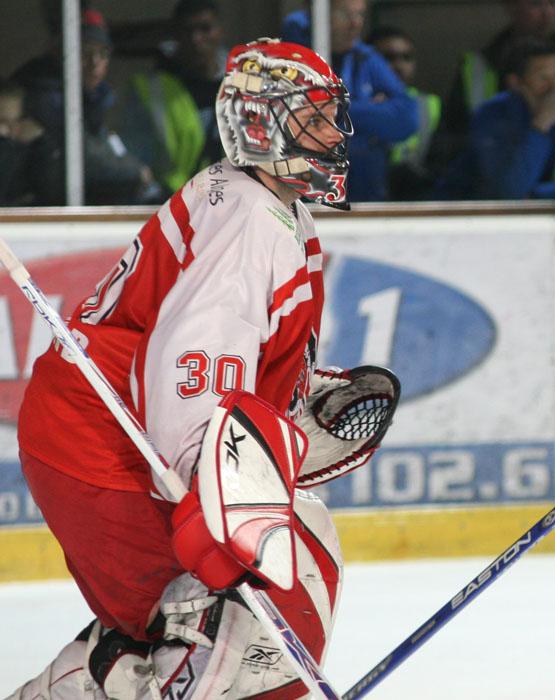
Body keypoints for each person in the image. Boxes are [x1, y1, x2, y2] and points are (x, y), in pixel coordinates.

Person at [12, 38, 359, 697]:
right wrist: (218, 488)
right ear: (261, 125)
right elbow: (192, 360)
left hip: (97, 434)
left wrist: (292, 403)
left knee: (191, 623)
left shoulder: (258, 202)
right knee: (258, 609)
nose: (333, 133)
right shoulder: (252, 218)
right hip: (109, 445)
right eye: (313, 117)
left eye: (330, 115)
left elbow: (225, 353)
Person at [10, 7, 158, 204]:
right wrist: (136, 171)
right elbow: (82, 154)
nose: (94, 62)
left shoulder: (94, 97)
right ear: (60, 53)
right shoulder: (44, 94)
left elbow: (105, 147)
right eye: (84, 52)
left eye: (103, 53)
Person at [281, 0, 418, 202]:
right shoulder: (287, 59)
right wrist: (371, 113)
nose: (355, 24)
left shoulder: (364, 57)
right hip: (305, 201)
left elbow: (407, 118)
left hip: (365, 201)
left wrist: (335, 109)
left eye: (360, 15)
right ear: (317, 13)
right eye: (345, 15)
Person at [436, 0, 555, 169]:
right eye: (535, 4)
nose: (547, 13)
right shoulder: (477, 68)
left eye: (552, 3)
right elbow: (454, 141)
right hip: (495, 174)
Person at [435, 36, 555, 200]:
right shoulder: (491, 115)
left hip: (530, 205)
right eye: (543, 78)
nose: (554, 87)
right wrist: (540, 127)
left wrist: (538, 194)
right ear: (515, 83)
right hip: (462, 206)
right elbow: (508, 192)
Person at [121, 0, 227, 197]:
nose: (196, 39)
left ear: (220, 31)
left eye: (205, 28)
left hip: (232, 201)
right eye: (188, 31)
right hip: (172, 201)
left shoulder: (243, 83)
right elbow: (134, 159)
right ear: (175, 35)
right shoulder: (151, 88)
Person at [368, 25, 442, 200]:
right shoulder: (357, 103)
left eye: (406, 57)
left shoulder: (429, 104)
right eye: (388, 57)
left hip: (416, 200)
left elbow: (442, 162)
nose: (399, 65)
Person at [0, 79, 59, 206]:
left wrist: (42, 143)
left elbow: (47, 196)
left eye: (15, 121)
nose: (7, 130)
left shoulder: (32, 152)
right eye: (2, 121)